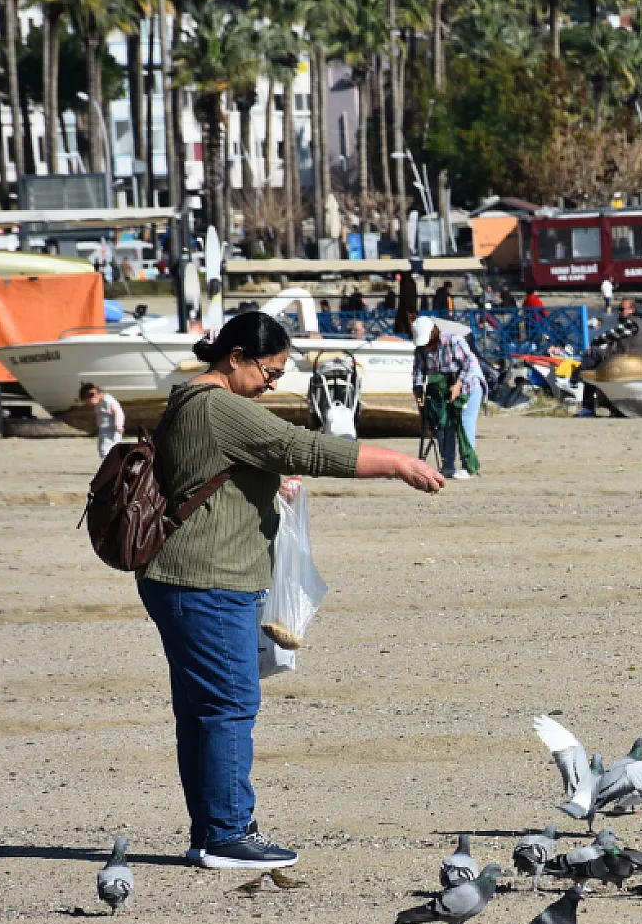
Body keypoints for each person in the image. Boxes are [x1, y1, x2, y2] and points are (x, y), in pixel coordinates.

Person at [140, 312, 444, 869]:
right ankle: (227, 835)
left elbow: (213, 471)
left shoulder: (190, 399)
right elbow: (308, 448)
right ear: (235, 357)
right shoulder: (219, 406)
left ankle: (213, 830)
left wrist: (267, 482)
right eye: (270, 371)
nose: (274, 383)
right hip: (209, 580)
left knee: (204, 710)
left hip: (183, 577)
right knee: (230, 704)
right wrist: (396, 462)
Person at [412, 317, 487, 478]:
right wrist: (418, 393)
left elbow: (470, 363)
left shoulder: (454, 341)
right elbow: (418, 372)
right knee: (444, 425)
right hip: (442, 390)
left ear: (433, 335)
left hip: (468, 385)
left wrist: (458, 384)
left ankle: (468, 467)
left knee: (464, 423)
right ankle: (448, 466)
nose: (427, 348)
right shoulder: (420, 351)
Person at [575, 298, 642, 416]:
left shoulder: (632, 322)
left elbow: (611, 334)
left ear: (632, 310)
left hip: (626, 360)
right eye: (619, 309)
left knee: (592, 355)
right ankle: (583, 382)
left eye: (622, 309)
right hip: (635, 359)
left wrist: (594, 342)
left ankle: (583, 395)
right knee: (595, 360)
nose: (619, 312)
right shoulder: (640, 323)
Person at [81, 382, 125, 458]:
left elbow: (118, 412)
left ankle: (112, 463)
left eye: (87, 401)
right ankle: (108, 463)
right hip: (103, 430)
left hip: (112, 431)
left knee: (107, 449)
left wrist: (119, 425)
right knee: (101, 449)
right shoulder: (99, 402)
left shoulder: (108, 401)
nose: (87, 404)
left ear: (94, 395)